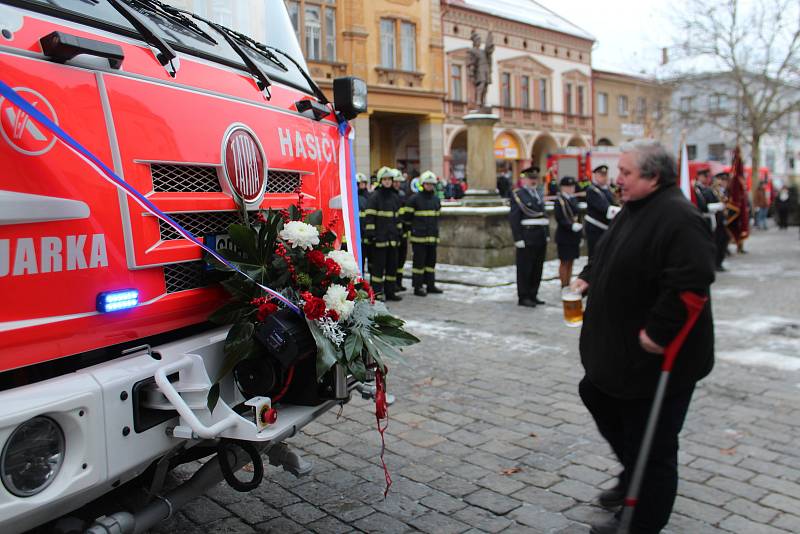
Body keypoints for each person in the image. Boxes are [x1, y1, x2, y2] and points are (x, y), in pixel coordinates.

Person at [571, 140, 715, 534]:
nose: (617, 180)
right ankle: (634, 473)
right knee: (595, 393)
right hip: (619, 355)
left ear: (653, 177)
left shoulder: (679, 217)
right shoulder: (635, 207)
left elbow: (692, 282)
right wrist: (588, 274)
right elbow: (608, 250)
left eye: (626, 173)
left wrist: (659, 331)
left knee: (654, 447)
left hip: (658, 359)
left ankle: (641, 521)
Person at [509, 166, 549, 307]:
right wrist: (518, 238)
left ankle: (533, 293)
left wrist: (547, 233)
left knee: (537, 268)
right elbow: (514, 218)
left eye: (535, 178)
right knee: (525, 268)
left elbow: (544, 215)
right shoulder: (518, 194)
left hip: (539, 236)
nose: (533, 181)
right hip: (527, 236)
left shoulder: (537, 194)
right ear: (523, 179)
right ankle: (524, 296)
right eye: (530, 178)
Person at [365, 167, 403, 301]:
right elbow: (369, 218)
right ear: (381, 181)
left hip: (392, 239)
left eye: (389, 179)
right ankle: (377, 293)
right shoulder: (375, 196)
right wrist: (371, 235)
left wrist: (399, 233)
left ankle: (390, 291)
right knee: (378, 269)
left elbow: (398, 218)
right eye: (385, 179)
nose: (387, 182)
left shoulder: (395, 197)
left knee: (392, 267)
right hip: (379, 239)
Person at [406, 171, 444, 296]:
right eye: (427, 184)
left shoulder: (436, 199)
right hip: (419, 238)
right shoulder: (414, 199)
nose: (429, 186)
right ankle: (418, 287)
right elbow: (407, 218)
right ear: (422, 184)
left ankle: (430, 285)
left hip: (432, 237)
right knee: (419, 264)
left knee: (430, 264)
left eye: (431, 184)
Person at [584, 164, 620, 259]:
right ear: (595, 175)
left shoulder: (607, 189)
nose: (604, 178)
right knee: (595, 256)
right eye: (601, 175)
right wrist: (623, 212)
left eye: (605, 175)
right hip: (595, 229)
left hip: (605, 228)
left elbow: (614, 204)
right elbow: (605, 209)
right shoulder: (592, 190)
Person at [554, 176, 583, 288]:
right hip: (564, 235)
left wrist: (580, 233)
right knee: (564, 262)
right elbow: (559, 218)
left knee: (571, 261)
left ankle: (568, 282)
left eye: (572, 186)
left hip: (574, 236)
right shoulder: (560, 200)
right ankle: (564, 284)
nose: (571, 188)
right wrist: (571, 225)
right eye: (568, 186)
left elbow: (578, 215)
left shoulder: (573, 199)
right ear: (562, 187)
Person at [392, 171, 409, 292]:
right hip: (393, 234)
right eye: (395, 181)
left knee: (401, 259)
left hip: (402, 233)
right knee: (394, 260)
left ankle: (399, 282)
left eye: (399, 182)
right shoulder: (390, 195)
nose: (398, 184)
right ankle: (392, 284)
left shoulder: (402, 194)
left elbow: (404, 215)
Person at [712, 172, 731, 271]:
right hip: (717, 220)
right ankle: (716, 263)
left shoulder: (726, 192)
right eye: (721, 180)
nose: (723, 183)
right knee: (717, 242)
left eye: (724, 181)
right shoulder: (714, 191)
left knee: (724, 241)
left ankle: (719, 262)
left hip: (725, 220)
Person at [356, 172, 371, 273]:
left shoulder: (369, 197)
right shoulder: (352, 197)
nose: (362, 185)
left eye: (363, 183)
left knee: (364, 260)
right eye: (360, 183)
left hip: (366, 234)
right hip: (357, 235)